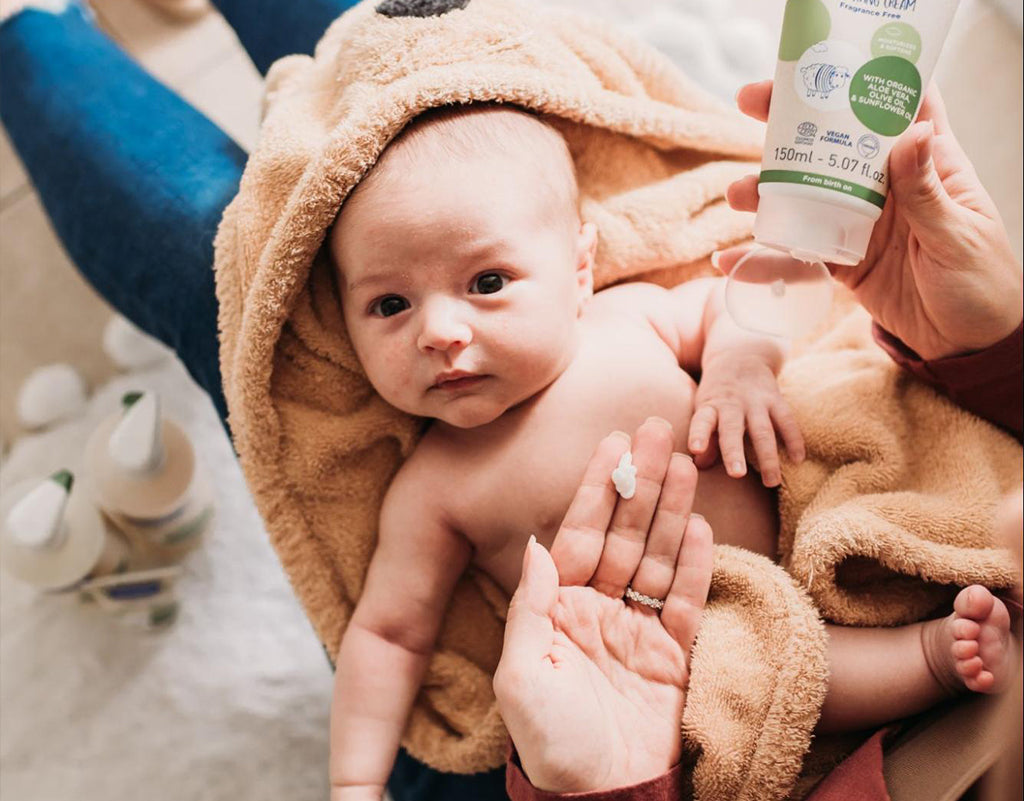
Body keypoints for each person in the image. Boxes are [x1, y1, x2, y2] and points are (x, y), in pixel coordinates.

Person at [0, 4, 1020, 799]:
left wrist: (739, 365)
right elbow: (390, 635)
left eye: (487, 284)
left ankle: (33, 40)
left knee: (777, 661)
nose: (441, 330)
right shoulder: (434, 489)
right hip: (692, 631)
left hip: (764, 584)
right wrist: (356, 778)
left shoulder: (627, 323)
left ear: (580, 270)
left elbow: (736, 298)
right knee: (768, 659)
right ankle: (927, 658)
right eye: (388, 306)